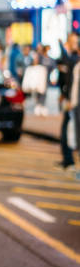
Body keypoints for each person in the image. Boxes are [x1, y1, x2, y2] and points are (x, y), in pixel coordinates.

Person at [57, 33, 79, 171]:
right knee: (67, 130)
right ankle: (67, 159)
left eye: (74, 42)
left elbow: (74, 84)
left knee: (69, 131)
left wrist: (71, 99)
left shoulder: (75, 61)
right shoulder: (74, 61)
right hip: (72, 102)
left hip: (74, 104)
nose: (72, 44)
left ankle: (69, 160)